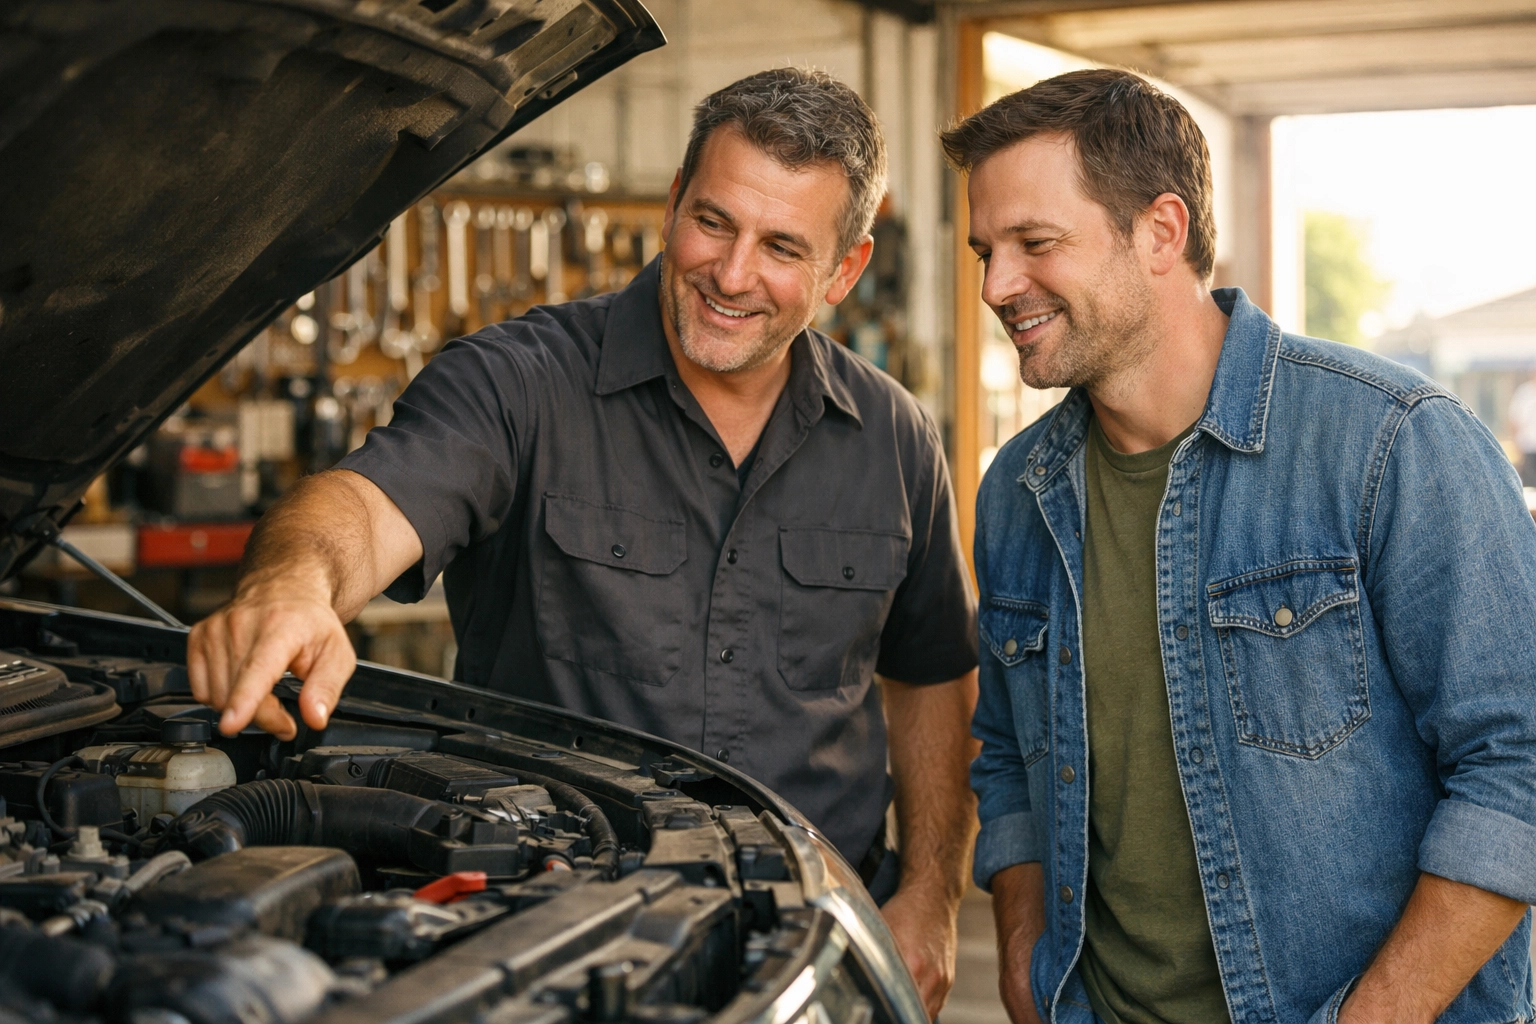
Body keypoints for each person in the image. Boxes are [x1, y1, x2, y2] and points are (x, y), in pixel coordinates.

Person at [187, 67, 978, 1017]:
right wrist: (294, 587)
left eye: (781, 247)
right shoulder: (518, 384)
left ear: (844, 271)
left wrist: (931, 892)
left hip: (820, 956)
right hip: (557, 954)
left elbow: (932, 674)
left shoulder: (894, 436)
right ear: (673, 205)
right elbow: (364, 504)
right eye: (714, 222)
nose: (732, 275)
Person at [945, 68, 1536, 1024]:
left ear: (1161, 232)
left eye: (1035, 244)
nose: (995, 286)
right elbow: (1009, 755)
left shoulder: (1391, 442)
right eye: (985, 251)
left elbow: (1517, 766)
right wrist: (1024, 960)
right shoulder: (1018, 490)